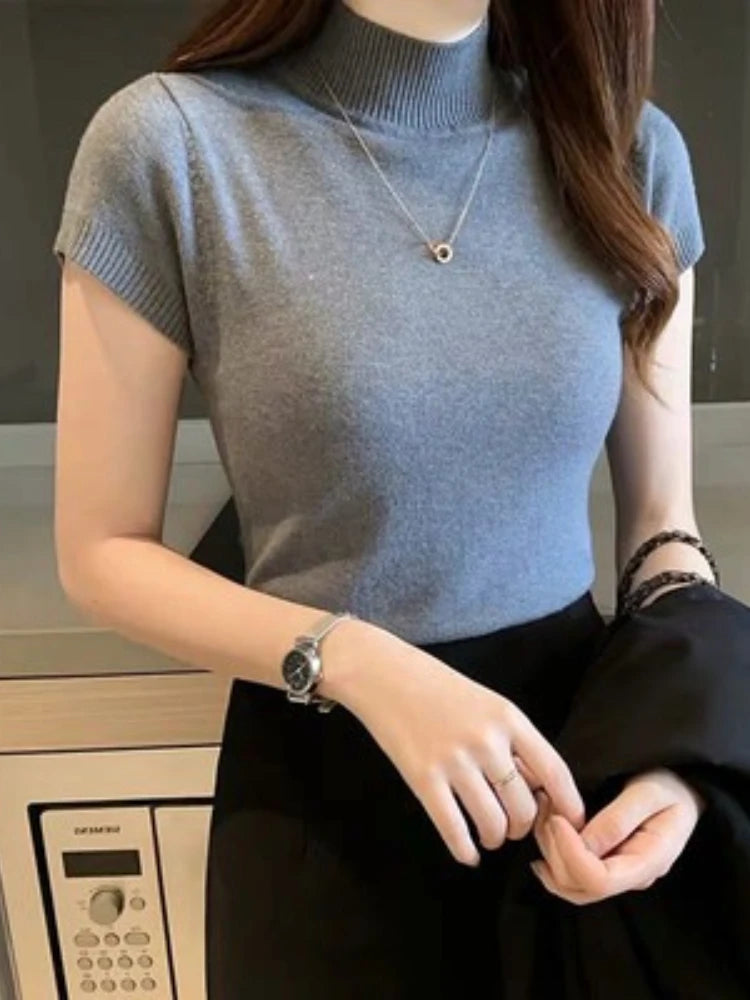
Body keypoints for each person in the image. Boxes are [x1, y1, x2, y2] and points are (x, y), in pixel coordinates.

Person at [51, 0, 720, 996]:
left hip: (572, 800)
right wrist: (360, 663)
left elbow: (664, 533)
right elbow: (101, 553)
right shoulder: (170, 146)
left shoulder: (630, 152)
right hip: (324, 816)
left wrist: (673, 754)